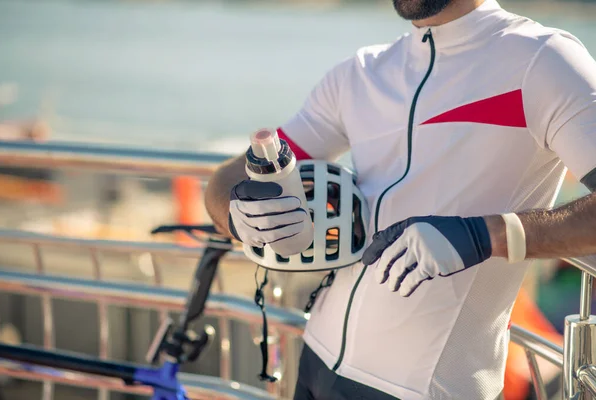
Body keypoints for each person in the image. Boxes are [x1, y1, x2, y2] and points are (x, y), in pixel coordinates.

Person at [204, 0, 596, 397]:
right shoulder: (361, 72)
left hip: (423, 388)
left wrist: (484, 235)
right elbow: (233, 174)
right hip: (316, 361)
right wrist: (239, 214)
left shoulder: (544, 60)